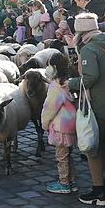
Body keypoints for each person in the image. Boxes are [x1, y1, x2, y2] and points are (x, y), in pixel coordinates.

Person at [69, 12, 105, 206]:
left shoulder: (89, 49)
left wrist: (71, 83)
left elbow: (90, 77)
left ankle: (98, 191)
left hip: (99, 104)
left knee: (92, 147)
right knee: (104, 145)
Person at [42, 58, 77, 194]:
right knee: (68, 154)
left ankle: (64, 183)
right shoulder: (68, 84)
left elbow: (50, 107)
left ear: (54, 68)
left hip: (60, 126)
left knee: (61, 155)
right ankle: (71, 180)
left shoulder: (55, 87)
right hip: (71, 123)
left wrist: (45, 123)